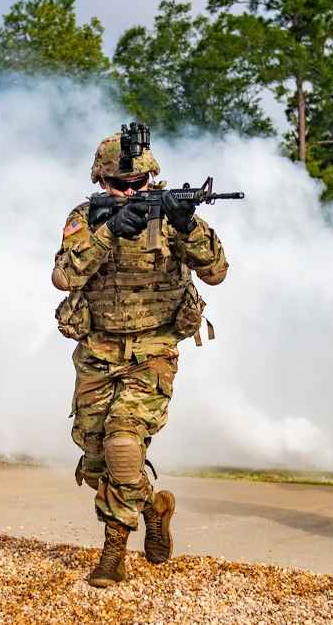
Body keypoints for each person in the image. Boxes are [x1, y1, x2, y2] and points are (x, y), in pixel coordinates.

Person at [52, 126, 228, 587]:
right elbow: (63, 276)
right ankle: (153, 506)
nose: (131, 193)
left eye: (139, 186)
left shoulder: (173, 215)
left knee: (123, 445)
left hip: (153, 349)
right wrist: (109, 232)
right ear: (102, 183)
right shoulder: (86, 217)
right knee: (96, 466)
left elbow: (217, 272)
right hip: (97, 351)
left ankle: (113, 552)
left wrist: (187, 225)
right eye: (120, 187)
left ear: (152, 180)